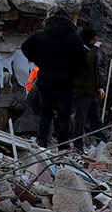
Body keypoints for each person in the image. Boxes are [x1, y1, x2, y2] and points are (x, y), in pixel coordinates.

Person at [21, 13, 86, 149]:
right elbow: (82, 61)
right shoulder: (73, 38)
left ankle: (42, 143)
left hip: (46, 82)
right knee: (63, 116)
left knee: (45, 114)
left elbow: (25, 47)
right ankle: (63, 145)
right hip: (65, 84)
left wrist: (39, 62)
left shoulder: (42, 35)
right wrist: (73, 73)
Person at [72, 28, 105, 146]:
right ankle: (77, 145)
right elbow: (87, 63)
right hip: (82, 91)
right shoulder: (80, 51)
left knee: (95, 119)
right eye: (93, 40)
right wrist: (95, 48)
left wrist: (100, 87)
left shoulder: (91, 51)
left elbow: (95, 72)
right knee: (80, 120)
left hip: (91, 91)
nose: (96, 42)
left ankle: (102, 142)